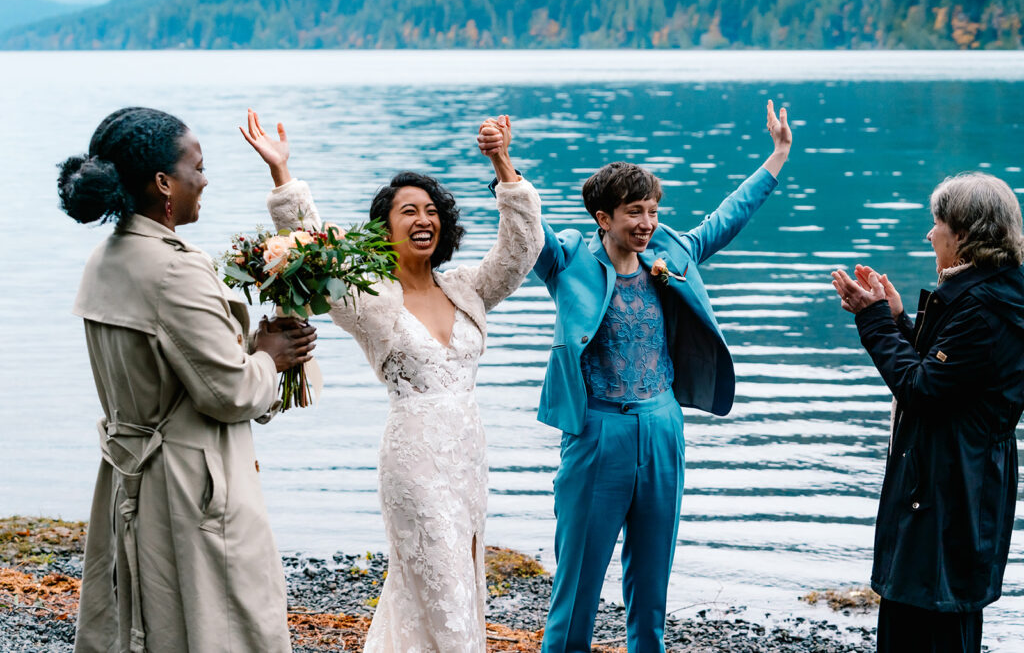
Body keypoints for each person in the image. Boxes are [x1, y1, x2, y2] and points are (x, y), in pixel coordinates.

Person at [478, 101, 792, 652]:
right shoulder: (567, 260)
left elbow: (728, 216)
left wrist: (778, 155)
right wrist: (505, 165)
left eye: (651, 210)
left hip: (663, 425)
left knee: (651, 580)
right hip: (598, 433)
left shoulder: (674, 252)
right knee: (578, 579)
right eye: (634, 212)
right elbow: (529, 223)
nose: (647, 223)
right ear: (604, 218)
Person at [242, 108, 543, 652]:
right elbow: (314, 249)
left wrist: (502, 164)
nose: (423, 219)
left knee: (452, 581)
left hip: (469, 458)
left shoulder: (467, 288)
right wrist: (282, 175)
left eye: (432, 211)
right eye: (409, 211)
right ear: (386, 229)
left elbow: (521, 252)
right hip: (413, 460)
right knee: (440, 582)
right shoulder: (368, 298)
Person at [60, 107, 317, 653]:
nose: (205, 179)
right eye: (197, 168)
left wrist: (245, 351)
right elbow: (230, 393)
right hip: (192, 485)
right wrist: (271, 355)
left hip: (130, 473)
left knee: (146, 625)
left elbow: (173, 370)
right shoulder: (175, 268)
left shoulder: (105, 259)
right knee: (218, 624)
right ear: (163, 183)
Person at [831, 173, 1024, 653]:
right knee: (929, 607)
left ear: (963, 234)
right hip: (958, 474)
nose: (929, 234)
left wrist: (873, 322)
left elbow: (923, 388)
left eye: (936, 224)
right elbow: (952, 374)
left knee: (932, 615)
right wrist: (898, 320)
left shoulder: (982, 306)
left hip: (951, 482)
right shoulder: (992, 291)